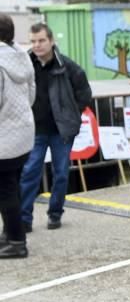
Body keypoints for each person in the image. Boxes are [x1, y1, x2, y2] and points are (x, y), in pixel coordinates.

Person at [19, 23, 91, 232]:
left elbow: (84, 93)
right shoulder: (25, 65)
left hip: (61, 132)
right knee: (30, 172)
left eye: (41, 40)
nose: (37, 45)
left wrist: (72, 114)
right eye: (33, 41)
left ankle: (55, 213)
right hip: (35, 130)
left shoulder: (67, 66)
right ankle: (24, 219)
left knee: (60, 173)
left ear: (51, 41)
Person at [0, 14, 36, 258]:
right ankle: (11, 232)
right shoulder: (22, 56)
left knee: (6, 191)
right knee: (13, 185)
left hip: (4, 137)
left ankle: (16, 241)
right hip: (23, 132)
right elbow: (31, 95)